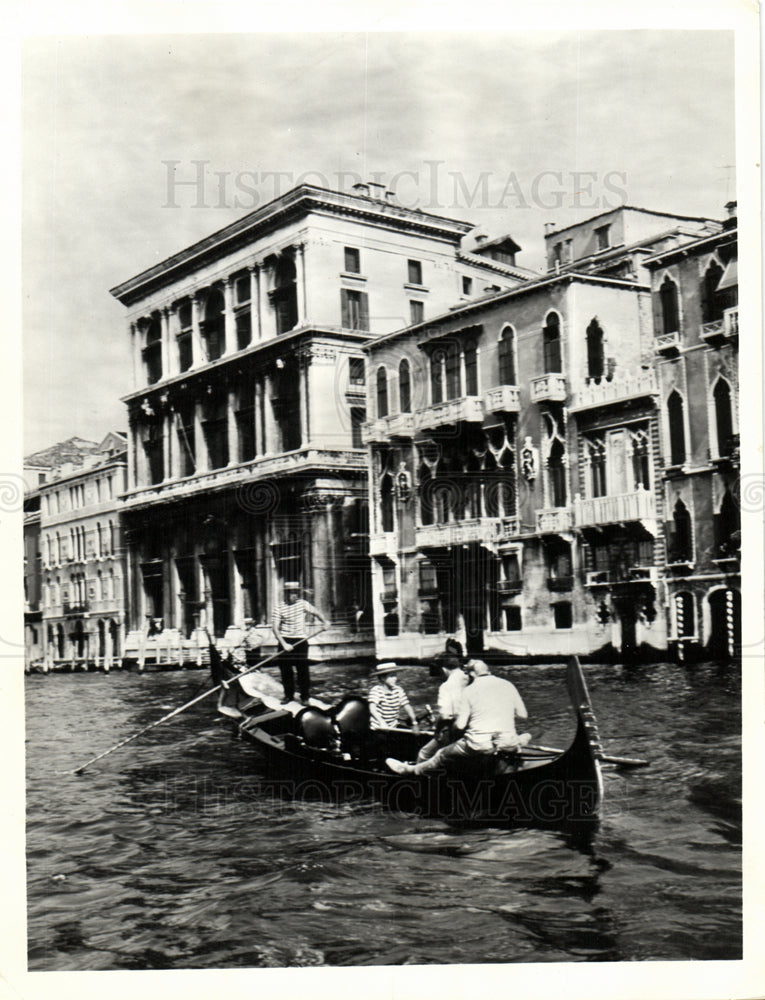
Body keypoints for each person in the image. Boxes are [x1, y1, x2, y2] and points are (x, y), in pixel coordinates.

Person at [386, 659, 530, 775]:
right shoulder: (508, 684)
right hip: (506, 740)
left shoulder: (469, 691)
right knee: (526, 735)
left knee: (441, 754)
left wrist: (450, 728)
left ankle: (411, 771)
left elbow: (460, 726)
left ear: (472, 674)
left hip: (479, 744)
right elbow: (523, 715)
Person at [271, 582, 329, 704]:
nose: (295, 595)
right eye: (293, 593)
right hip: (285, 640)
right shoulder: (279, 607)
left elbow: (317, 613)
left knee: (302, 669)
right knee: (286, 670)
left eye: (297, 592)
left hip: (300, 640)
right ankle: (288, 696)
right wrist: (284, 644)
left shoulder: (303, 604)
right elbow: (275, 629)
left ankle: (305, 696)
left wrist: (325, 622)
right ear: (286, 594)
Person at [416, 654, 468, 763]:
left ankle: (418, 777)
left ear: (444, 670)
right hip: (472, 728)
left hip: (455, 730)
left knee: (424, 753)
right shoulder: (470, 679)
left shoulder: (446, 686)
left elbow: (445, 716)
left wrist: (437, 730)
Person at [368, 663, 419, 731]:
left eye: (395, 675)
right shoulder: (376, 690)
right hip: (378, 727)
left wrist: (414, 723)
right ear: (383, 678)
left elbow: (407, 706)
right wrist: (382, 722)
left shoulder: (399, 690)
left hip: (393, 727)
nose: (395, 678)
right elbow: (372, 709)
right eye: (392, 676)